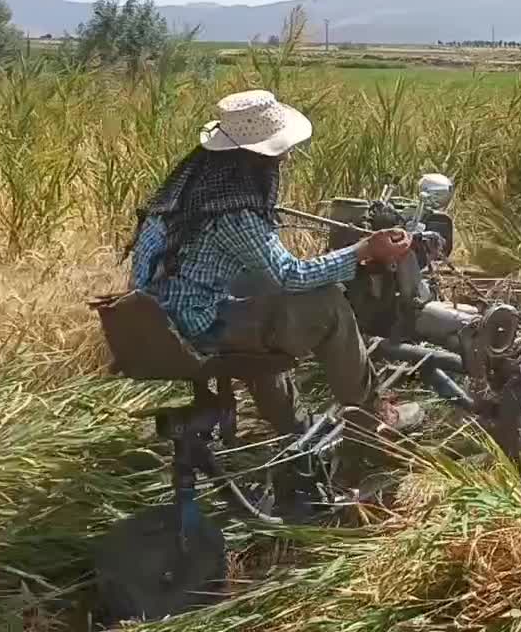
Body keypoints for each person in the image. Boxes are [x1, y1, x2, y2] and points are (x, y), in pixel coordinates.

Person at [123, 89, 425, 446]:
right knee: (327, 304)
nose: (285, 158)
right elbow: (289, 276)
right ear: (255, 159)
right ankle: (373, 414)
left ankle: (293, 424)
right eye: (280, 153)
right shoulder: (233, 212)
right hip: (194, 326)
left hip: (160, 318)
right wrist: (362, 250)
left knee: (262, 300)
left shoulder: (187, 192)